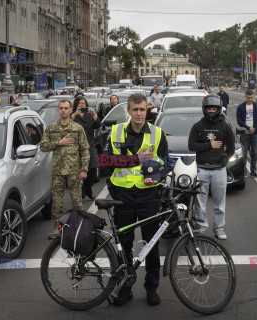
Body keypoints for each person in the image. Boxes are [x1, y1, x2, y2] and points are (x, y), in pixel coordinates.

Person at [105, 93, 169, 307]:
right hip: (122, 195)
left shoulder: (157, 133)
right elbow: (106, 161)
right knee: (124, 244)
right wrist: (135, 159)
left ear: (147, 110)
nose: (139, 113)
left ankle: (151, 287)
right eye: (135, 109)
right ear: (128, 111)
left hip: (148, 195)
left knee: (151, 244)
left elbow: (166, 162)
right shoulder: (115, 131)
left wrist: (157, 177)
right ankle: (125, 287)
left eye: (142, 109)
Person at [39, 100, 90, 238]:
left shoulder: (77, 128)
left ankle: (79, 227)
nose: (63, 110)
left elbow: (85, 149)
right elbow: (43, 147)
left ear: (70, 110)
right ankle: (58, 228)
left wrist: (84, 169)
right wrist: (59, 143)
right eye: (61, 108)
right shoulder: (51, 128)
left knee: (76, 202)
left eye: (66, 108)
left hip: (74, 171)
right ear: (58, 110)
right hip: (57, 171)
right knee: (57, 202)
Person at [188, 94, 235, 240]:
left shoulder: (225, 126)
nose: (211, 110)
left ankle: (219, 227)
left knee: (219, 202)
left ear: (219, 109)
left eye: (214, 108)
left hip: (219, 170)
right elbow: (191, 146)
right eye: (209, 108)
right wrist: (210, 145)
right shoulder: (198, 126)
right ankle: (202, 226)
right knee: (200, 202)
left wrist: (225, 158)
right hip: (201, 169)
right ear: (204, 109)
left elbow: (232, 147)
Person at [71, 97, 101, 200]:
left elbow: (98, 125)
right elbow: (66, 125)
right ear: (76, 105)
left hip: (90, 145)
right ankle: (83, 191)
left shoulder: (89, 115)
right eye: (79, 103)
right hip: (77, 147)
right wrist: (74, 115)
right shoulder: (73, 116)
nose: (82, 105)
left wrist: (93, 114)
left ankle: (88, 188)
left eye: (83, 103)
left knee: (93, 168)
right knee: (80, 171)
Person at [236, 89, 257, 178]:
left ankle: (253, 170)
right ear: (245, 96)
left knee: (254, 152)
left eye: (251, 98)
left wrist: (254, 128)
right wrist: (248, 128)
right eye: (248, 98)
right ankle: (243, 170)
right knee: (244, 152)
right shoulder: (240, 107)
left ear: (253, 97)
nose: (250, 99)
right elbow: (239, 120)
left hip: (255, 133)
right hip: (245, 133)